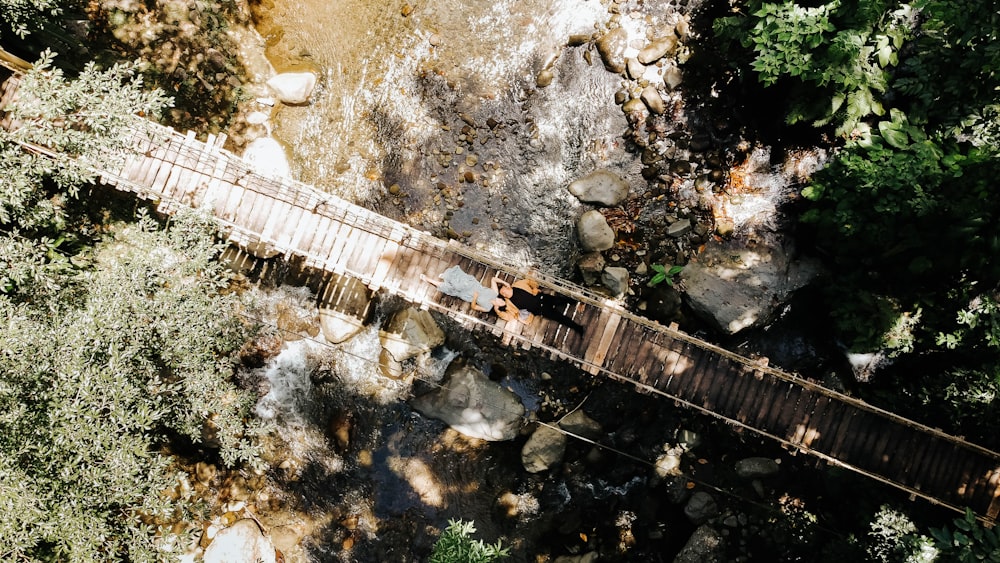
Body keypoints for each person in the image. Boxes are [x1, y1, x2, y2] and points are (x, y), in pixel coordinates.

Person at [492, 276, 584, 334]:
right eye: (503, 294)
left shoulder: (518, 285)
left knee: (560, 300)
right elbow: (509, 317)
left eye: (504, 291)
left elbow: (530, 281)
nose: (504, 294)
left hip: (542, 298)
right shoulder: (509, 304)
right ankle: (578, 328)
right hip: (540, 310)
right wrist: (497, 311)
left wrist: (535, 288)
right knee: (560, 318)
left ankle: (576, 301)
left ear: (507, 287)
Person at [420, 265, 516, 319]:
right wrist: (505, 283)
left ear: (497, 306)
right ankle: (446, 276)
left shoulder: (487, 308)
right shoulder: (495, 293)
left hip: (469, 295)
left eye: (501, 302)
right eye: (502, 299)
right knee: (459, 285)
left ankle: (430, 279)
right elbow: (493, 279)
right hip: (472, 285)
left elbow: (474, 307)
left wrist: (474, 298)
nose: (499, 299)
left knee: (451, 289)